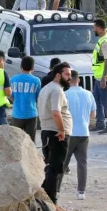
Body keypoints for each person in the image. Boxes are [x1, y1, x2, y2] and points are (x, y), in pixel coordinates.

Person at [38, 62, 73, 203]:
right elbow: (56, 112)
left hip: (47, 131)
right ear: (58, 75)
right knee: (56, 168)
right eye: (67, 74)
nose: (69, 78)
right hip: (56, 133)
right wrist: (62, 130)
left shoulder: (46, 88)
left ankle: (43, 197)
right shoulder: (56, 90)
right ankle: (51, 200)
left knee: (50, 167)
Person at [64, 70, 96, 200]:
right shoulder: (88, 94)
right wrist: (88, 124)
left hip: (69, 132)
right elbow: (93, 113)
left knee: (64, 162)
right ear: (79, 80)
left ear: (68, 80)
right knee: (82, 163)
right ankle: (81, 192)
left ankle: (56, 188)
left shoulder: (65, 94)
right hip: (84, 132)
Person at [91, 18, 107, 134]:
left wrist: (104, 77)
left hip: (103, 77)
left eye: (94, 27)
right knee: (96, 99)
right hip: (99, 77)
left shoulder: (104, 41)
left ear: (100, 29)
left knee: (105, 102)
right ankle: (100, 123)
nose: (93, 29)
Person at [10, 56, 41, 141]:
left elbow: (10, 95)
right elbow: (38, 97)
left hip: (17, 114)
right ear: (33, 67)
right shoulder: (36, 80)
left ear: (21, 66)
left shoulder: (13, 79)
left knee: (16, 141)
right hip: (31, 114)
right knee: (30, 142)